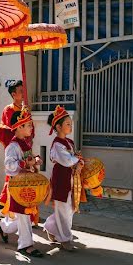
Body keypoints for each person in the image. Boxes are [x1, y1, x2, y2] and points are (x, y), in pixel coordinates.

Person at [0, 108, 46, 258]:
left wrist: (35, 160)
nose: (31, 127)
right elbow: (9, 166)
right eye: (29, 125)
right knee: (24, 215)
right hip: (18, 186)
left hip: (26, 184)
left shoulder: (24, 144)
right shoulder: (13, 146)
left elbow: (28, 160)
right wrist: (25, 164)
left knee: (23, 215)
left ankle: (3, 226)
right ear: (19, 127)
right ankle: (25, 245)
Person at [44, 106, 81, 251]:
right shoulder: (57, 144)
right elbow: (67, 161)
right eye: (67, 124)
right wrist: (76, 160)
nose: (70, 126)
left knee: (69, 208)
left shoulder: (69, 142)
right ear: (58, 127)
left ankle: (50, 226)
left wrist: (79, 161)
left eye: (70, 124)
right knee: (63, 208)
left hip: (70, 178)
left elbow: (74, 158)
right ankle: (65, 239)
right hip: (61, 178)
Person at [0, 79, 34, 152]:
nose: (23, 93)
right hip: (13, 145)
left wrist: (31, 137)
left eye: (24, 91)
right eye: (21, 91)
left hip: (26, 143)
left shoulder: (25, 109)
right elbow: (10, 129)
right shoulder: (9, 109)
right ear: (13, 94)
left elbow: (31, 126)